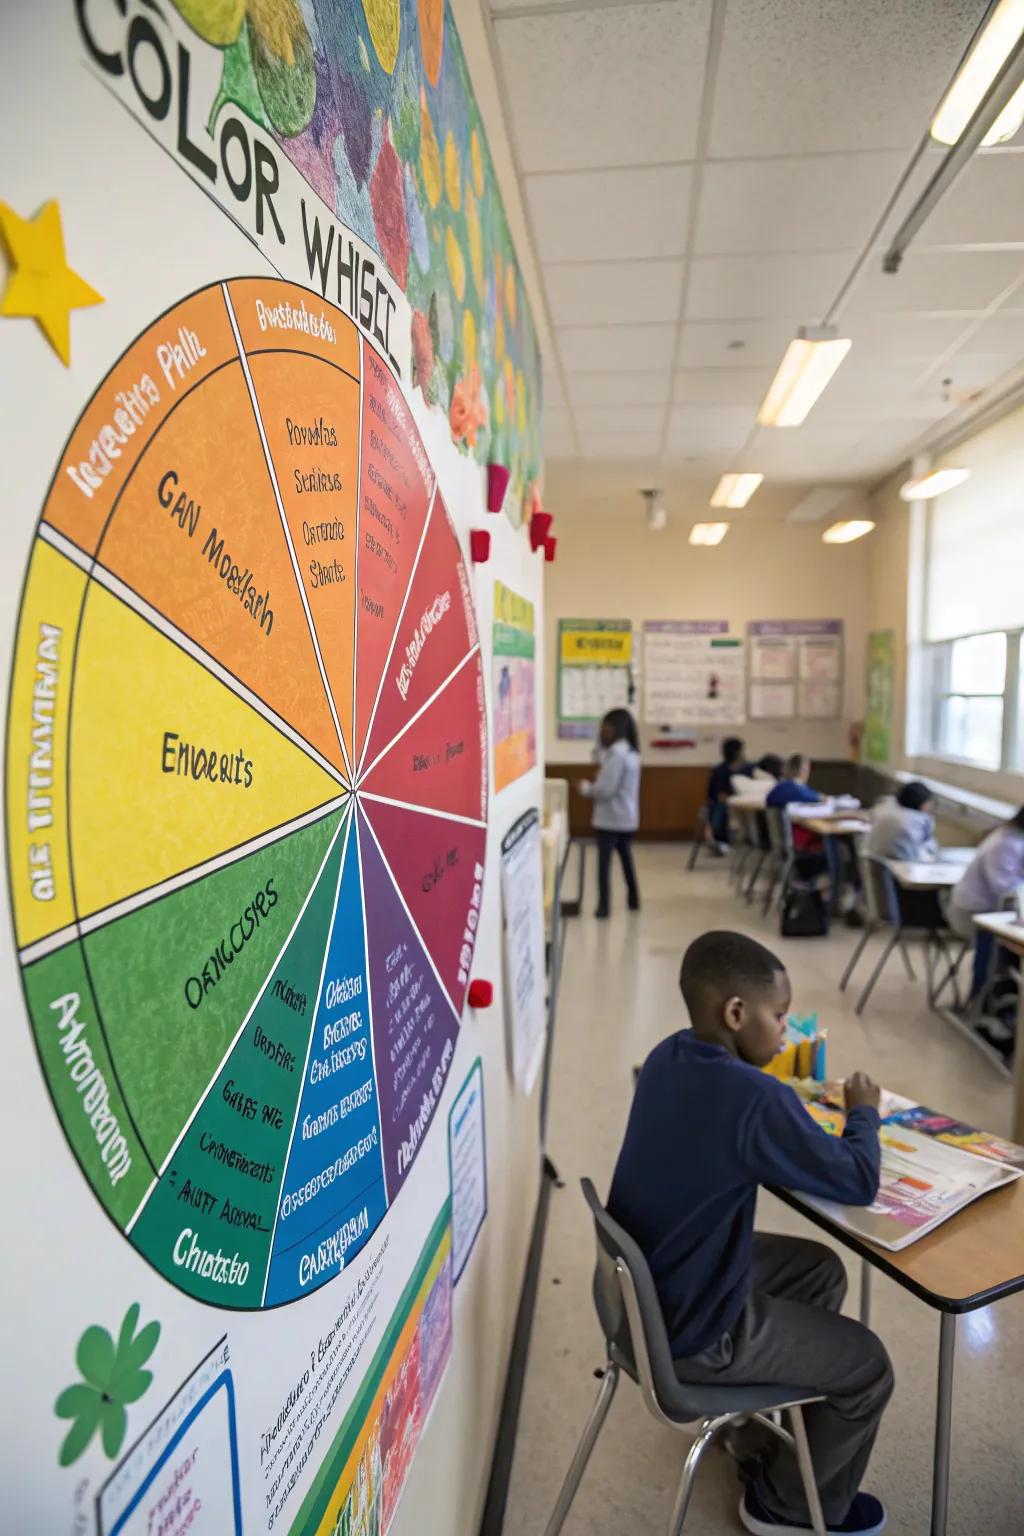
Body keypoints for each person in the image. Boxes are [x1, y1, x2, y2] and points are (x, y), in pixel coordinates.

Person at [608, 932, 890, 1536]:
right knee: (869, 1368)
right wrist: (864, 1109)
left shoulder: (666, 1055)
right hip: (693, 1327)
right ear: (736, 1014)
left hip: (654, 1290)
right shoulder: (753, 1097)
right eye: (780, 1016)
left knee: (819, 1268)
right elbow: (858, 1178)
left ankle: (753, 1432)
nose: (786, 1032)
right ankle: (787, 1508)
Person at [949, 807, 1024, 1003]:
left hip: (995, 911)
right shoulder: (1006, 843)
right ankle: (983, 1000)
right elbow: (1006, 888)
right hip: (974, 914)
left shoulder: (1013, 837)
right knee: (1007, 945)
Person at [576, 707, 641, 919]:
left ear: (616, 729)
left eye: (605, 728)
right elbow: (600, 760)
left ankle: (603, 907)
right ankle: (634, 899)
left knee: (604, 866)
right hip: (626, 817)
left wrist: (586, 788)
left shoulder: (617, 754)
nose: (603, 733)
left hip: (610, 819)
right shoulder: (630, 751)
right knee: (626, 860)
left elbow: (605, 789)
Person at [865, 782, 944, 929]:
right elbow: (929, 852)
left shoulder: (886, 811)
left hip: (878, 896)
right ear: (924, 804)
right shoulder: (917, 820)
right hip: (901, 895)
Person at [866, 782, 939, 864]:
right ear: (923, 804)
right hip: (897, 869)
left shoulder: (887, 806)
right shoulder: (917, 820)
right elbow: (929, 849)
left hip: (871, 864)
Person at [707, 736, 749, 849]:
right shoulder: (720, 771)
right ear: (736, 752)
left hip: (742, 804)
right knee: (722, 807)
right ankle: (720, 840)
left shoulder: (747, 769)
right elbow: (720, 796)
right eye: (742, 750)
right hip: (723, 806)